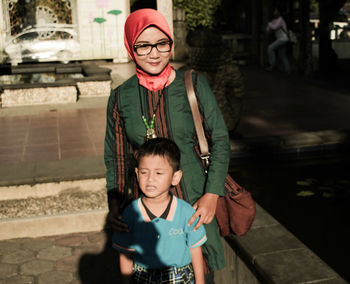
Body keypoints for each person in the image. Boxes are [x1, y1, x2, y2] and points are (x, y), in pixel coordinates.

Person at [104, 8, 230, 282]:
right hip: (146, 203)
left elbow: (220, 139)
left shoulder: (193, 84)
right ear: (130, 47)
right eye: (143, 45)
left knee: (200, 272)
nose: (154, 53)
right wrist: (115, 203)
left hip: (194, 199)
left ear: (171, 44)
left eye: (162, 43)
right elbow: (117, 156)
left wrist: (212, 194)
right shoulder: (120, 97)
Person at [112, 137, 207, 283]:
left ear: (175, 177)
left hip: (179, 277)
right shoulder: (131, 213)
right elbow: (125, 254)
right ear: (137, 174)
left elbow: (195, 250)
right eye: (144, 172)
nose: (150, 179)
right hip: (143, 277)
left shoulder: (185, 212)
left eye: (158, 173)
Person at [266, 7, 291, 74]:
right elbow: (268, 30)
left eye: (276, 11)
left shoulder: (280, 19)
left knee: (270, 48)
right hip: (281, 39)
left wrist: (269, 24)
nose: (275, 12)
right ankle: (287, 70)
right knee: (282, 55)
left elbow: (274, 27)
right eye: (274, 11)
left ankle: (272, 65)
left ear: (279, 12)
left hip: (283, 39)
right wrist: (270, 24)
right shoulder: (274, 20)